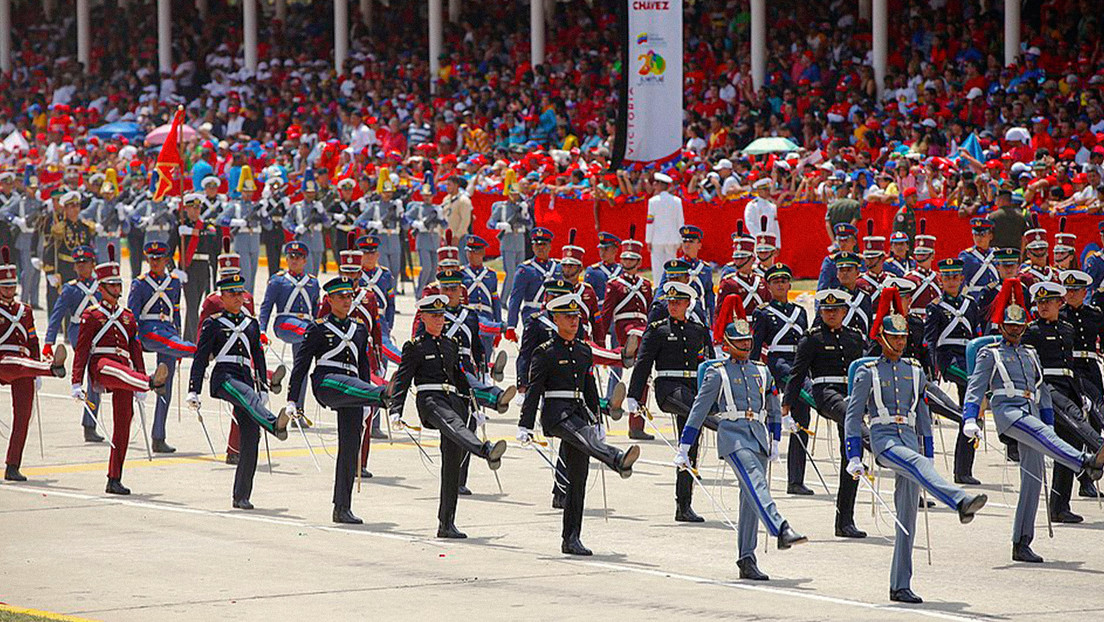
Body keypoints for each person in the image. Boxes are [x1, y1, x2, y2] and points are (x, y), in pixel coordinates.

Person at [845, 313, 988, 604]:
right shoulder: (868, 372)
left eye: (903, 337)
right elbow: (853, 416)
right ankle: (960, 502)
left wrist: (930, 452)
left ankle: (900, 585)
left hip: (910, 439)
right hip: (884, 440)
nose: (899, 342)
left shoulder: (914, 370)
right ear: (881, 338)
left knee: (907, 519)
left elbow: (924, 417)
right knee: (916, 464)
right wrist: (854, 455)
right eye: (894, 337)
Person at [963, 298, 1104, 563]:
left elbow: (1042, 392)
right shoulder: (990, 353)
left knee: (1032, 481)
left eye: (1018, 326)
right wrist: (970, 418)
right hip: (1008, 410)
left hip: (1031, 411)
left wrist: (1048, 422)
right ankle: (1085, 462)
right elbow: (976, 388)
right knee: (1041, 436)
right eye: (1009, 326)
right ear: (1001, 326)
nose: (1014, 331)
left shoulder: (1029, 353)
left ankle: (1022, 542)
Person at [679, 318, 807, 580]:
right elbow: (699, 410)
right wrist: (684, 446)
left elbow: (772, 407)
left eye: (748, 340)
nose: (746, 345)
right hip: (733, 436)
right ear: (726, 345)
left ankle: (747, 558)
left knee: (750, 498)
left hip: (758, 436)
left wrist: (775, 440)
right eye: (739, 342)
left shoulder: (762, 370)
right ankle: (780, 528)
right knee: (756, 480)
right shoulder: (717, 373)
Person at [519, 292, 640, 555]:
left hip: (579, 413)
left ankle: (571, 538)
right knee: (583, 437)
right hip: (556, 414)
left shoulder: (584, 350)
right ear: (555, 319)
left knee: (578, 479)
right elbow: (534, 390)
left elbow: (589, 389)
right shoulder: (545, 352)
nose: (574, 321)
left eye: (576, 316)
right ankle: (617, 459)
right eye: (567, 316)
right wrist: (524, 425)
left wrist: (597, 419)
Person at [389, 294, 508, 539]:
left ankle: (446, 523)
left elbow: (461, 379)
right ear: (422, 317)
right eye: (434, 315)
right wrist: (395, 410)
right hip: (431, 401)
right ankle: (485, 450)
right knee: (454, 425)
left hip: (453, 400)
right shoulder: (414, 347)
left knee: (452, 463)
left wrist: (476, 403)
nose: (440, 319)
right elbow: (402, 380)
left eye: (442, 315)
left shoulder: (450, 343)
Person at [287, 276, 389, 524]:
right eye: (341, 297)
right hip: (327, 382)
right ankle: (385, 394)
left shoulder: (359, 329)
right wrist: (292, 400)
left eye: (349, 296)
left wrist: (367, 403)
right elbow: (301, 365)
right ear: (330, 300)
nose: (346, 301)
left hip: (354, 390)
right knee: (343, 383)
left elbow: (363, 367)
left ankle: (342, 508)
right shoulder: (318, 328)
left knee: (350, 448)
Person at [71, 244, 169, 495]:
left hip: (126, 373)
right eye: (111, 286)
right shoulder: (91, 315)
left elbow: (135, 349)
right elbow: (82, 350)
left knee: (123, 424)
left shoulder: (127, 316)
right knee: (114, 368)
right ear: (102, 289)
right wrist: (76, 382)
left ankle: (114, 477)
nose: (116, 290)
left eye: (118, 285)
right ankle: (149, 381)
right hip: (101, 367)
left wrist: (139, 373)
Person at [188, 273, 291, 510]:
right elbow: (201, 357)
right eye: (232, 293)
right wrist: (194, 390)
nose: (238, 297)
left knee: (251, 438)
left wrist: (264, 388)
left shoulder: (251, 323)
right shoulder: (213, 323)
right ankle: (275, 424)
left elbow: (258, 356)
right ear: (222, 297)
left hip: (246, 377)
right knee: (247, 395)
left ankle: (241, 495)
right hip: (224, 376)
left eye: (240, 293)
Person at [627, 281, 715, 521]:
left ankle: (683, 505)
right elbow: (643, 363)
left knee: (690, 444)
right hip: (668, 389)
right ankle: (726, 428)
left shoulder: (698, 330)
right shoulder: (657, 330)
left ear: (688, 304)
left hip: (693, 388)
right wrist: (634, 395)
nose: (673, 306)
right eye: (670, 302)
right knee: (703, 416)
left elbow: (710, 364)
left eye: (678, 302)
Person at [785, 289, 867, 538]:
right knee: (855, 423)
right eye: (826, 310)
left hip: (850, 393)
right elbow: (797, 374)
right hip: (826, 394)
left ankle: (845, 521)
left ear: (844, 312)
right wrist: (786, 406)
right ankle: (878, 443)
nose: (830, 314)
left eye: (835, 310)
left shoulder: (855, 337)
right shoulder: (812, 338)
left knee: (851, 457)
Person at [1023, 281, 1104, 524]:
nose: (1043, 306)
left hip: (1069, 385)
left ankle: (1059, 506)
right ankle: (1099, 447)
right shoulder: (1032, 331)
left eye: (1048, 301)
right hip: (1046, 386)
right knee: (1073, 417)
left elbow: (1070, 366)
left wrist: (1080, 394)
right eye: (1039, 302)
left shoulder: (1067, 329)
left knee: (1068, 444)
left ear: (1059, 303)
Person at [0, 246, 67, 482]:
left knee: (23, 415)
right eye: (5, 287)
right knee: (15, 362)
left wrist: (36, 366)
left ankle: (13, 464)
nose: (9, 291)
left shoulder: (24, 310)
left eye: (11, 287)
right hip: (2, 361)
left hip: (26, 364)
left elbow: (33, 340)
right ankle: (51, 369)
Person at [128, 241, 197, 454]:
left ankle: (159, 436)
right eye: (151, 259)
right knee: (176, 345)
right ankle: (201, 351)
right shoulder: (139, 284)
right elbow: (132, 316)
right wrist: (133, 342)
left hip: (168, 331)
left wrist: (176, 331)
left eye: (159, 259)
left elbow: (175, 311)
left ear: (166, 260)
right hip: (148, 331)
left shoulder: (174, 283)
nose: (155, 262)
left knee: (165, 384)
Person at [751, 263, 814, 495]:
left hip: (799, 362)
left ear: (789, 284)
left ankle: (795, 480)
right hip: (779, 364)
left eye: (783, 280)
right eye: (775, 281)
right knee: (806, 394)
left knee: (802, 420)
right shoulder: (763, 312)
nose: (779, 284)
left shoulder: (800, 312)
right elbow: (757, 345)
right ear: (768, 285)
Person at [924, 257, 982, 485]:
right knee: (973, 391)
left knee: (971, 411)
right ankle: (962, 470)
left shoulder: (970, 304)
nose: (950, 281)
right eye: (946, 277)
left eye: (954, 277)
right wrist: (933, 368)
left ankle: (963, 470)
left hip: (968, 357)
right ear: (940, 279)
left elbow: (976, 336)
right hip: (948, 360)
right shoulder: (935, 307)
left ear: (961, 278)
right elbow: (930, 339)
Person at [42, 244, 103, 442]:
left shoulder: (101, 286)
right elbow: (56, 315)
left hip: (100, 332)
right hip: (79, 332)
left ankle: (90, 423)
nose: (81, 267)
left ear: (93, 264)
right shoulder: (70, 289)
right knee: (92, 373)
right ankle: (89, 423)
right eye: (78, 264)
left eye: (85, 263)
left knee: (96, 377)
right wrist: (49, 341)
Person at [597, 229, 650, 438]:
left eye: (632, 259)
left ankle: (637, 426)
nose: (628, 263)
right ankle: (627, 351)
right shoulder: (615, 285)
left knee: (643, 377)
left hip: (643, 327)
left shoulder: (646, 285)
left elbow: (650, 310)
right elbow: (606, 313)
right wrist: (600, 340)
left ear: (638, 262)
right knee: (635, 335)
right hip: (625, 327)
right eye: (625, 259)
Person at [1058, 269, 1104, 499]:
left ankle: (1088, 479)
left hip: (1092, 368)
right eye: (1068, 290)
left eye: (1076, 290)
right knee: (1085, 419)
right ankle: (1084, 476)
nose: (1071, 294)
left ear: (1084, 292)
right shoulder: (1061, 315)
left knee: (1096, 424)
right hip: (1073, 371)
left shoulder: (1095, 314)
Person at [258, 241, 320, 409]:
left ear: (305, 260)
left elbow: (317, 311)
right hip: (285, 324)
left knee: (302, 367)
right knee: (310, 332)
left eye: (298, 257)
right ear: (286, 259)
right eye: (291, 257)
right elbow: (266, 307)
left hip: (306, 327)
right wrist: (261, 330)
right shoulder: (278, 280)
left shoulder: (313, 283)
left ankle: (297, 408)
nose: (294, 260)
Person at [168, 193, 219, 342]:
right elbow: (168, 251)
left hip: (203, 268)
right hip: (187, 270)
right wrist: (174, 270)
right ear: (186, 209)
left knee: (197, 305)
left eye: (197, 208)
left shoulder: (206, 225)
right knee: (191, 305)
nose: (195, 211)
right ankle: (198, 341)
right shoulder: (179, 227)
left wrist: (193, 232)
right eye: (192, 208)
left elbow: (213, 234)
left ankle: (188, 338)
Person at [504, 227, 560, 342]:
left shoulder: (558, 267)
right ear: (532, 247)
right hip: (532, 314)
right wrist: (511, 326)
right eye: (537, 244)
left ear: (550, 246)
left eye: (543, 244)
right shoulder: (525, 269)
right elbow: (515, 298)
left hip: (556, 315)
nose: (540, 248)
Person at [217, 165, 263, 292]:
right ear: (241, 191)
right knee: (245, 274)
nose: (248, 194)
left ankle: (250, 299)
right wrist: (236, 222)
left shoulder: (256, 206)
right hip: (241, 240)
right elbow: (220, 219)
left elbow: (268, 225)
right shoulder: (235, 205)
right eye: (246, 191)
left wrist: (264, 214)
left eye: (250, 192)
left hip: (255, 240)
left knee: (253, 273)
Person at [487, 169, 530, 300]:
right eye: (513, 194)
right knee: (510, 273)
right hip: (508, 241)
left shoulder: (522, 207)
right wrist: (501, 225)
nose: (515, 197)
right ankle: (503, 299)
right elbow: (490, 223)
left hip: (520, 242)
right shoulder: (502, 207)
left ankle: (515, 299)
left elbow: (530, 225)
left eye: (517, 194)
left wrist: (525, 214)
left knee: (519, 274)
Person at [460, 236, 502, 370]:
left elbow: (495, 302)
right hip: (469, 317)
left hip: (487, 318)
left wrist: (498, 325)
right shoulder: (461, 274)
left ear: (482, 253)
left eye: (475, 252)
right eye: (469, 252)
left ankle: (486, 375)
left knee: (486, 354)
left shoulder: (491, 275)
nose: (471, 255)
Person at [658, 225, 714, 324]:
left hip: (698, 313)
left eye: (691, 242)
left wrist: (712, 320)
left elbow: (709, 297)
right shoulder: (673, 267)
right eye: (684, 242)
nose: (687, 245)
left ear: (699, 245)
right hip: (677, 311)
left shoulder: (705, 269)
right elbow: (661, 292)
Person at [716, 222, 769, 317]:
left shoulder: (761, 281)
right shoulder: (728, 283)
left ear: (752, 259)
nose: (738, 262)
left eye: (742, 258)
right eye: (736, 258)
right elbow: (720, 314)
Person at [284, 172, 331, 275]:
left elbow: (328, 224)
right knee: (307, 272)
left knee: (314, 274)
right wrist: (294, 228)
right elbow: (286, 221)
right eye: (307, 192)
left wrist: (322, 213)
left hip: (317, 242)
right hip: (303, 242)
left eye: (312, 192)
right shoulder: (297, 206)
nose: (310, 195)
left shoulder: (318, 206)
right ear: (303, 192)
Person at [407, 183, 446, 291]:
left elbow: (445, 225)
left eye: (429, 195)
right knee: (426, 267)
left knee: (434, 269)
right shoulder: (418, 208)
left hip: (434, 238)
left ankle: (430, 291)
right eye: (425, 195)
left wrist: (441, 217)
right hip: (423, 238)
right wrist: (416, 224)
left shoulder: (436, 208)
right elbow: (406, 218)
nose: (427, 197)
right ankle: (420, 291)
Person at [645, 173, 684, 274]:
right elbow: (680, 221)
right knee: (672, 265)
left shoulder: (653, 201)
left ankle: (659, 287)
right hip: (672, 238)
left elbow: (650, 222)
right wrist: (681, 239)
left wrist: (648, 239)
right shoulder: (677, 201)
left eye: (656, 183)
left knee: (658, 267)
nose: (654, 185)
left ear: (660, 185)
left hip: (657, 239)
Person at [904, 223, 939, 317]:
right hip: (916, 321)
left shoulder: (938, 278)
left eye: (924, 255)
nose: (920, 257)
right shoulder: (909, 278)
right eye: (918, 255)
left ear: (932, 256)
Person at [960, 218, 998, 299]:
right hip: (976, 297)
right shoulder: (967, 256)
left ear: (990, 236)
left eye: (982, 234)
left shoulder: (997, 254)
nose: (978, 238)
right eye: (975, 234)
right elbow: (960, 281)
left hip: (995, 298)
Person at [440, 175, 473, 266]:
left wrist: (457, 236)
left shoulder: (464, 200)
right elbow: (443, 218)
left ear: (456, 185)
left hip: (460, 238)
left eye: (449, 185)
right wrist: (441, 235)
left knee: (462, 264)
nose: (447, 187)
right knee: (448, 265)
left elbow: (465, 220)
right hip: (447, 238)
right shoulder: (446, 199)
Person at [817, 223, 859, 291]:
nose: (842, 244)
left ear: (854, 242)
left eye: (846, 241)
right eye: (840, 241)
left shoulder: (860, 260)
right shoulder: (830, 261)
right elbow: (822, 288)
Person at [583, 232, 622, 302]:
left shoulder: (622, 270)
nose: (602, 252)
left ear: (615, 251)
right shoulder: (593, 271)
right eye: (600, 249)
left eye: (606, 249)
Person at [745, 178, 780, 249]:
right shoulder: (752, 205)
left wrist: (778, 244)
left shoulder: (772, 206)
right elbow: (750, 223)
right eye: (765, 190)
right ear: (758, 190)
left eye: (768, 189)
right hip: (757, 241)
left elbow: (775, 226)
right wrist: (760, 238)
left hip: (770, 241)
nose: (767, 192)